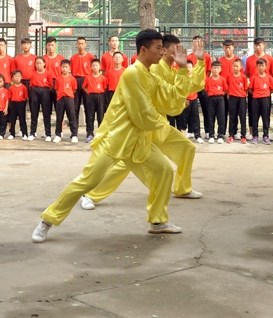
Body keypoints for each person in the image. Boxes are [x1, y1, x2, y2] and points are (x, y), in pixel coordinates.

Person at [32, 30, 198, 243]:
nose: (162, 52)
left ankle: (157, 221)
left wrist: (184, 69)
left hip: (139, 141)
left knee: (163, 170)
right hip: (115, 139)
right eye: (158, 48)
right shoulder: (133, 74)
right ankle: (48, 220)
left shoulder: (150, 74)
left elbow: (170, 100)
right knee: (87, 181)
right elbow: (143, 114)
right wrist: (164, 122)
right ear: (143, 50)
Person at [245, 38, 273, 138]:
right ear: (254, 46)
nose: (258, 47)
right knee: (252, 112)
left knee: (266, 113)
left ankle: (266, 134)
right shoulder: (249, 59)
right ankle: (252, 133)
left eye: (260, 45)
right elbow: (248, 73)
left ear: (264, 45)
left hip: (265, 92)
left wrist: (266, 85)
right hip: (253, 90)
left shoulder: (270, 58)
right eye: (256, 45)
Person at [70, 37, 95, 135]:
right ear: (76, 45)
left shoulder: (91, 57)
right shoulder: (73, 58)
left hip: (87, 80)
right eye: (79, 44)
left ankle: (89, 132)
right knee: (75, 107)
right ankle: (74, 132)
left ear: (86, 44)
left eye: (82, 43)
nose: (81, 45)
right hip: (76, 80)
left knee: (88, 107)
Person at [248, 58, 273, 144]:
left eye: (262, 65)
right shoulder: (253, 77)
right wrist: (257, 94)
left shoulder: (269, 77)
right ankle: (255, 136)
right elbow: (250, 89)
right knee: (255, 118)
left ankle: (266, 136)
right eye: (259, 66)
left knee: (265, 118)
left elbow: (272, 89)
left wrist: (265, 94)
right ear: (257, 67)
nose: (261, 67)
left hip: (265, 99)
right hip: (255, 99)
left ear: (266, 67)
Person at [52, 60, 78, 143]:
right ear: (60, 68)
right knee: (59, 117)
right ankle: (58, 134)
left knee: (72, 116)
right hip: (60, 99)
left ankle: (74, 134)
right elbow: (56, 89)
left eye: (66, 67)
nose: (64, 69)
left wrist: (68, 94)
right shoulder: (58, 78)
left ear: (69, 68)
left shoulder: (72, 78)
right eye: (63, 67)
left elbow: (74, 89)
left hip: (69, 98)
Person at [28, 56, 52, 140]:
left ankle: (48, 134)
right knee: (34, 113)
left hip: (45, 91)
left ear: (44, 64)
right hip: (35, 91)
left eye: (40, 63)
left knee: (46, 113)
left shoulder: (48, 73)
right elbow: (31, 85)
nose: (38, 65)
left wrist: (45, 92)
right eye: (37, 63)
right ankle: (32, 133)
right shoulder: (33, 74)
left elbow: (51, 85)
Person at [83, 59, 107, 142]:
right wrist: (89, 92)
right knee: (90, 115)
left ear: (100, 67)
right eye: (93, 66)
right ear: (90, 67)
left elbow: (104, 88)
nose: (95, 67)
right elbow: (84, 87)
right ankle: (90, 134)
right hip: (91, 97)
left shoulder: (103, 78)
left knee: (100, 115)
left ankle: (101, 134)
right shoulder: (88, 77)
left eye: (96, 65)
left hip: (100, 96)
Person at [205, 60, 228, 143]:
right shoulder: (208, 80)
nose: (215, 70)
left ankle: (220, 136)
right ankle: (211, 135)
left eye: (217, 68)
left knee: (221, 117)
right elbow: (206, 90)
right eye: (214, 68)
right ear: (211, 69)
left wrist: (220, 94)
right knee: (211, 117)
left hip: (220, 99)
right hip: (211, 99)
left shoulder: (223, 79)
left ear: (220, 69)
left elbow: (225, 90)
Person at [226, 59, 247, 143]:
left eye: (237, 66)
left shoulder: (243, 77)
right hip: (232, 98)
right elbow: (227, 86)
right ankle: (231, 135)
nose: (235, 68)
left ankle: (243, 136)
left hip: (241, 98)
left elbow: (245, 88)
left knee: (242, 117)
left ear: (241, 67)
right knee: (232, 117)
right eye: (234, 66)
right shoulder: (229, 76)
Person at [8, 71, 29, 139]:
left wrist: (23, 105)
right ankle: (12, 134)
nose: (17, 78)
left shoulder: (24, 87)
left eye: (18, 76)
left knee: (22, 119)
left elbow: (25, 97)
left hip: (21, 104)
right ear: (12, 78)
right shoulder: (11, 87)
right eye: (15, 76)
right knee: (12, 119)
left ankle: (25, 134)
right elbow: (9, 97)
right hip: (13, 104)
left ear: (21, 77)